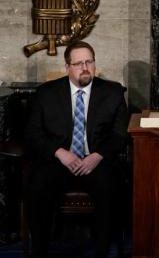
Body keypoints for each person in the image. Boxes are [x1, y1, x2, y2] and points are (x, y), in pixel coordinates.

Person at [24, 40, 129, 258]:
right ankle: (39, 252)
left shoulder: (113, 92)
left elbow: (119, 135)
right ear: (67, 67)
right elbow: (33, 133)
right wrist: (59, 152)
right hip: (59, 161)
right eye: (78, 63)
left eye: (89, 62)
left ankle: (101, 253)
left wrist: (97, 156)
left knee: (110, 187)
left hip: (96, 161)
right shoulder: (46, 93)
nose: (85, 68)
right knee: (38, 186)